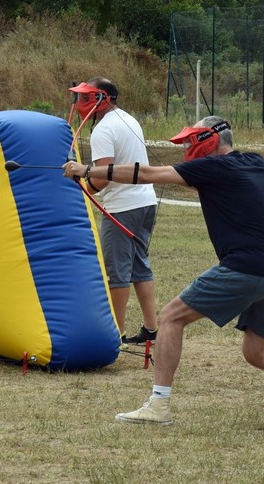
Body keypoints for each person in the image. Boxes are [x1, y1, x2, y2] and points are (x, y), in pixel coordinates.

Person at [63, 116, 264, 426]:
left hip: (245, 268)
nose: (188, 148)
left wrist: (86, 170)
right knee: (256, 353)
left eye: (192, 142)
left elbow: (147, 173)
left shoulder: (211, 168)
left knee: (171, 317)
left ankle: (159, 405)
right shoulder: (255, 162)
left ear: (210, 140)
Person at [68, 77, 158, 344]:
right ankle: (151, 329)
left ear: (101, 99)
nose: (81, 103)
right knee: (140, 267)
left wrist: (82, 186)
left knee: (117, 272)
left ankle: (115, 334)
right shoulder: (128, 119)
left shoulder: (103, 129)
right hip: (145, 202)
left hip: (122, 208)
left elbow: (103, 176)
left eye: (86, 98)